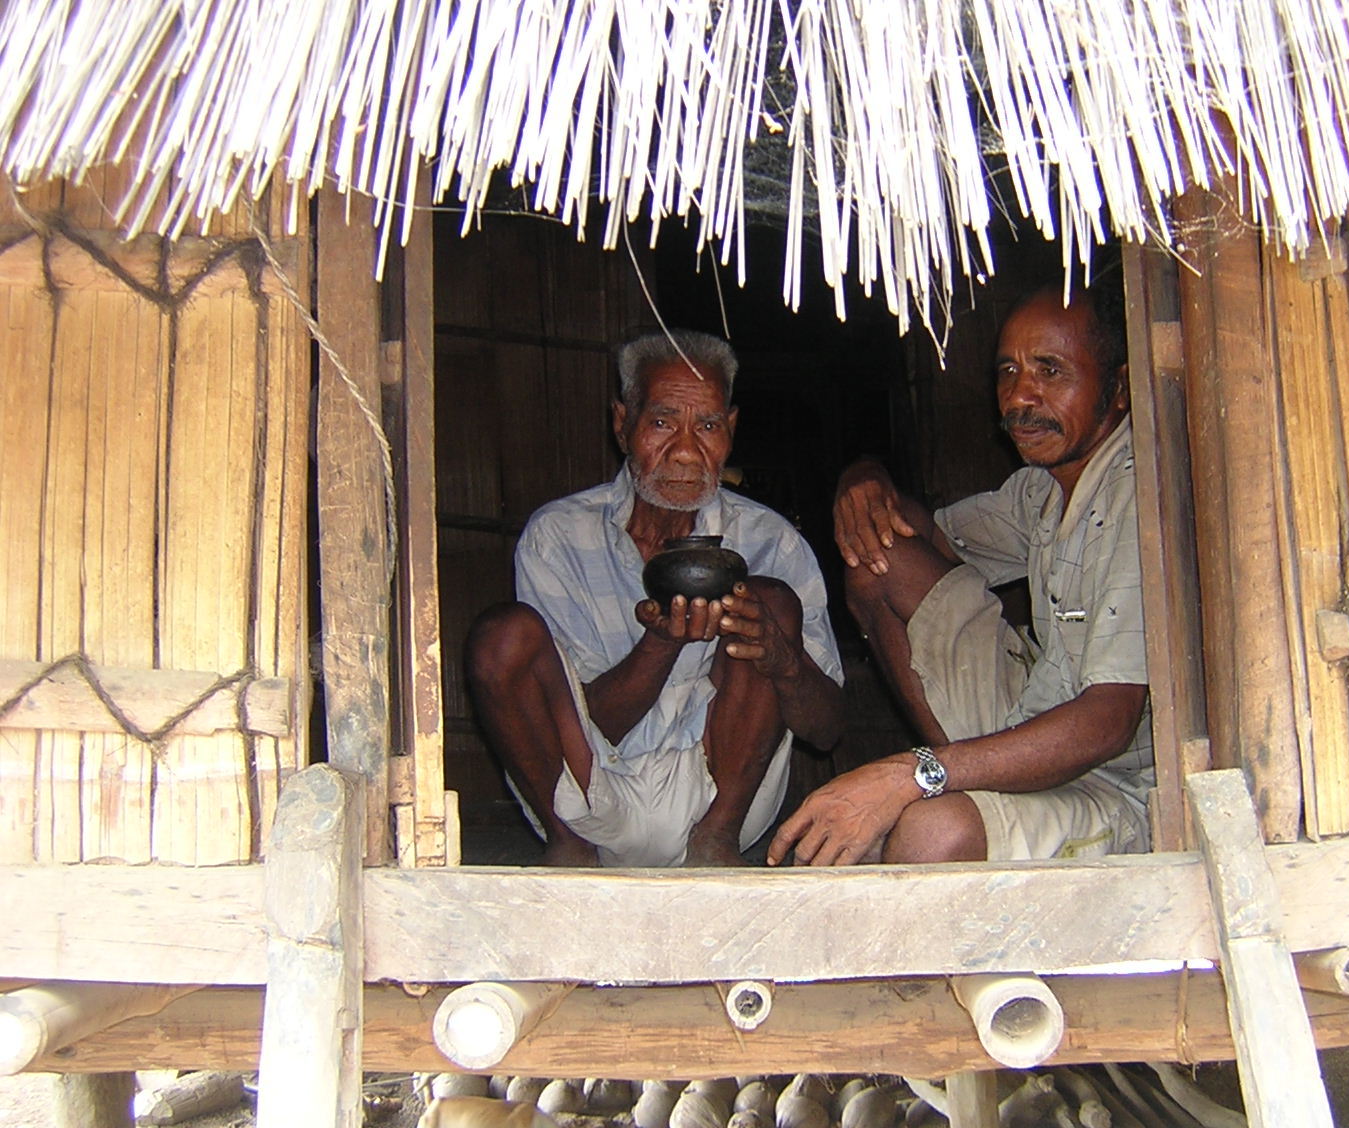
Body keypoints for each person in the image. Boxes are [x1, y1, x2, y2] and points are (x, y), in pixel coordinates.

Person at [769, 281, 1151, 866]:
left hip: (1117, 782)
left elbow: (1108, 724)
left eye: (1049, 370)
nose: (1019, 396)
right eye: (1008, 371)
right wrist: (863, 476)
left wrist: (909, 776)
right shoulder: (1042, 489)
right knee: (875, 553)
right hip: (1034, 712)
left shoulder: (1136, 495)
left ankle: (944, 786)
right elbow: (916, 537)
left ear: (1119, 389)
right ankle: (961, 783)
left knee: (932, 833)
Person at [466, 330, 845, 867]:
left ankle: (714, 844)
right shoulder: (559, 536)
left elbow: (826, 731)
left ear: (731, 429)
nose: (687, 452)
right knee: (501, 639)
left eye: (708, 426)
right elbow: (588, 726)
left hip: (718, 797)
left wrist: (782, 660)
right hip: (590, 796)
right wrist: (660, 644)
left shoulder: (771, 541)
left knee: (769, 602)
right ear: (623, 424)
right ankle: (570, 846)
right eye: (663, 423)